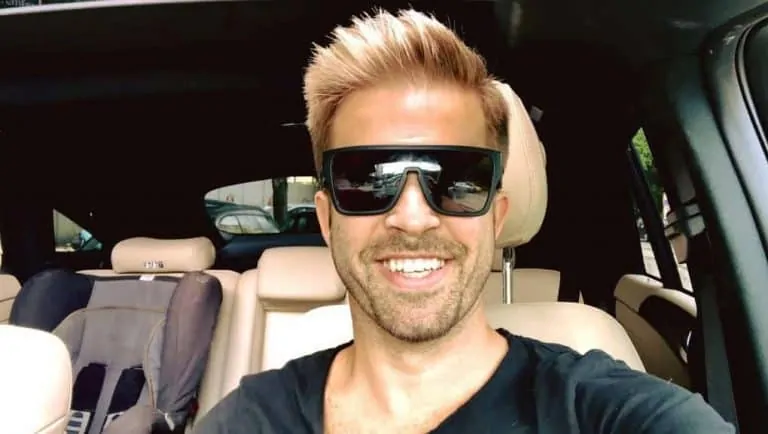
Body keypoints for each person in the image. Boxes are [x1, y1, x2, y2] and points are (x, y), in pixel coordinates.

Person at [193, 8, 735, 434]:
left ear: (497, 217)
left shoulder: (610, 411)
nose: (412, 218)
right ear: (327, 219)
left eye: (456, 179)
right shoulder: (247, 419)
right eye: (367, 179)